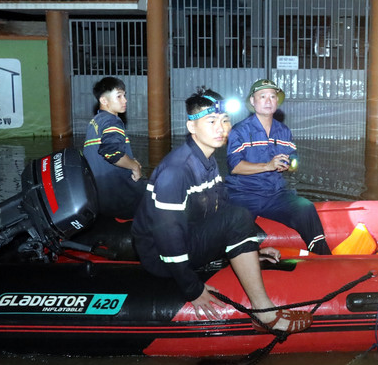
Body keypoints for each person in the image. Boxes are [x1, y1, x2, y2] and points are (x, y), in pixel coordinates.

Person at [131, 88, 312, 334]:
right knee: (238, 215)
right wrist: (192, 289)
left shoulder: (207, 160)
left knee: (239, 211)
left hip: (189, 236)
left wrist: (250, 249)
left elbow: (221, 207)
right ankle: (263, 313)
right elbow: (167, 236)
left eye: (225, 121)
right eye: (211, 121)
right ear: (192, 127)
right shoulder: (177, 171)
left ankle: (246, 265)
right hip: (162, 257)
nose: (221, 128)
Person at [225, 79, 332, 254]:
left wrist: (290, 165)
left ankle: (323, 258)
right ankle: (249, 255)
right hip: (243, 194)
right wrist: (268, 166)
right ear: (253, 101)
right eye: (262, 96)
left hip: (274, 194)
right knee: (237, 223)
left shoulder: (283, 131)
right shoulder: (239, 131)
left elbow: (294, 160)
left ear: (277, 101)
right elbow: (235, 166)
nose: (268, 101)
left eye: (273, 96)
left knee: (306, 208)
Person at [82, 77, 146, 220]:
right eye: (119, 96)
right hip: (120, 197)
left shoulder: (95, 122)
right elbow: (112, 152)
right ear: (104, 100)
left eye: (124, 95)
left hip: (101, 196)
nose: (125, 100)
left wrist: (129, 160)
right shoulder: (112, 121)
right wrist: (134, 166)